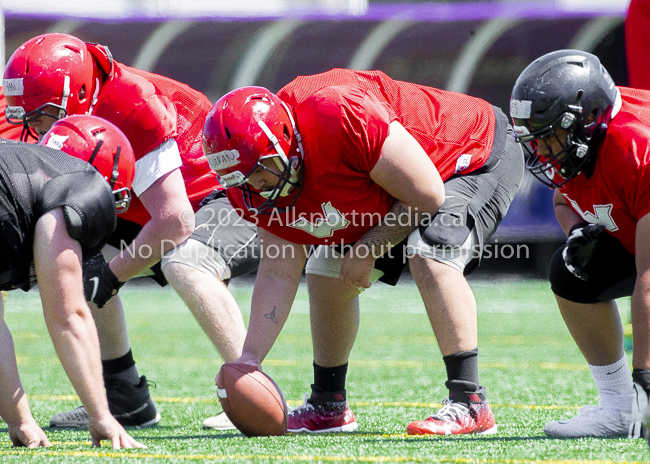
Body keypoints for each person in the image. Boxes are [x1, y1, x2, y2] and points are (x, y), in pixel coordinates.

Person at [204, 69, 524, 435]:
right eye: (242, 179)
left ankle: (470, 402)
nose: (257, 187)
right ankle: (328, 403)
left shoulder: (336, 113)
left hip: (470, 151)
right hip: (394, 184)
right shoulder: (252, 189)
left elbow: (426, 194)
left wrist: (368, 248)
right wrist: (250, 359)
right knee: (325, 270)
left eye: (262, 170)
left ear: (285, 142)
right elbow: (278, 270)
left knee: (429, 251)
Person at [3, 33, 259, 430]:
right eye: (27, 115)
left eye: (43, 113)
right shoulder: (42, 107)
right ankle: (125, 395)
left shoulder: (131, 101)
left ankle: (253, 388)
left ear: (82, 93)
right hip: (138, 204)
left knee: (186, 262)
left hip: (220, 194)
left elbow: (175, 219)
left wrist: (112, 275)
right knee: (77, 254)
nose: (34, 127)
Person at [510, 49, 650, 439]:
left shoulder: (639, 149)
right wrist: (577, 231)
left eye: (549, 135)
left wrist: (647, 385)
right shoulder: (582, 146)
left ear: (588, 116)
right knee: (573, 269)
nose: (541, 152)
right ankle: (619, 406)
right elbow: (562, 200)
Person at [0, 114, 144, 449]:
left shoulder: (20, 180)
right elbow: (68, 315)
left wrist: (19, 419)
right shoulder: (83, 188)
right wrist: (101, 415)